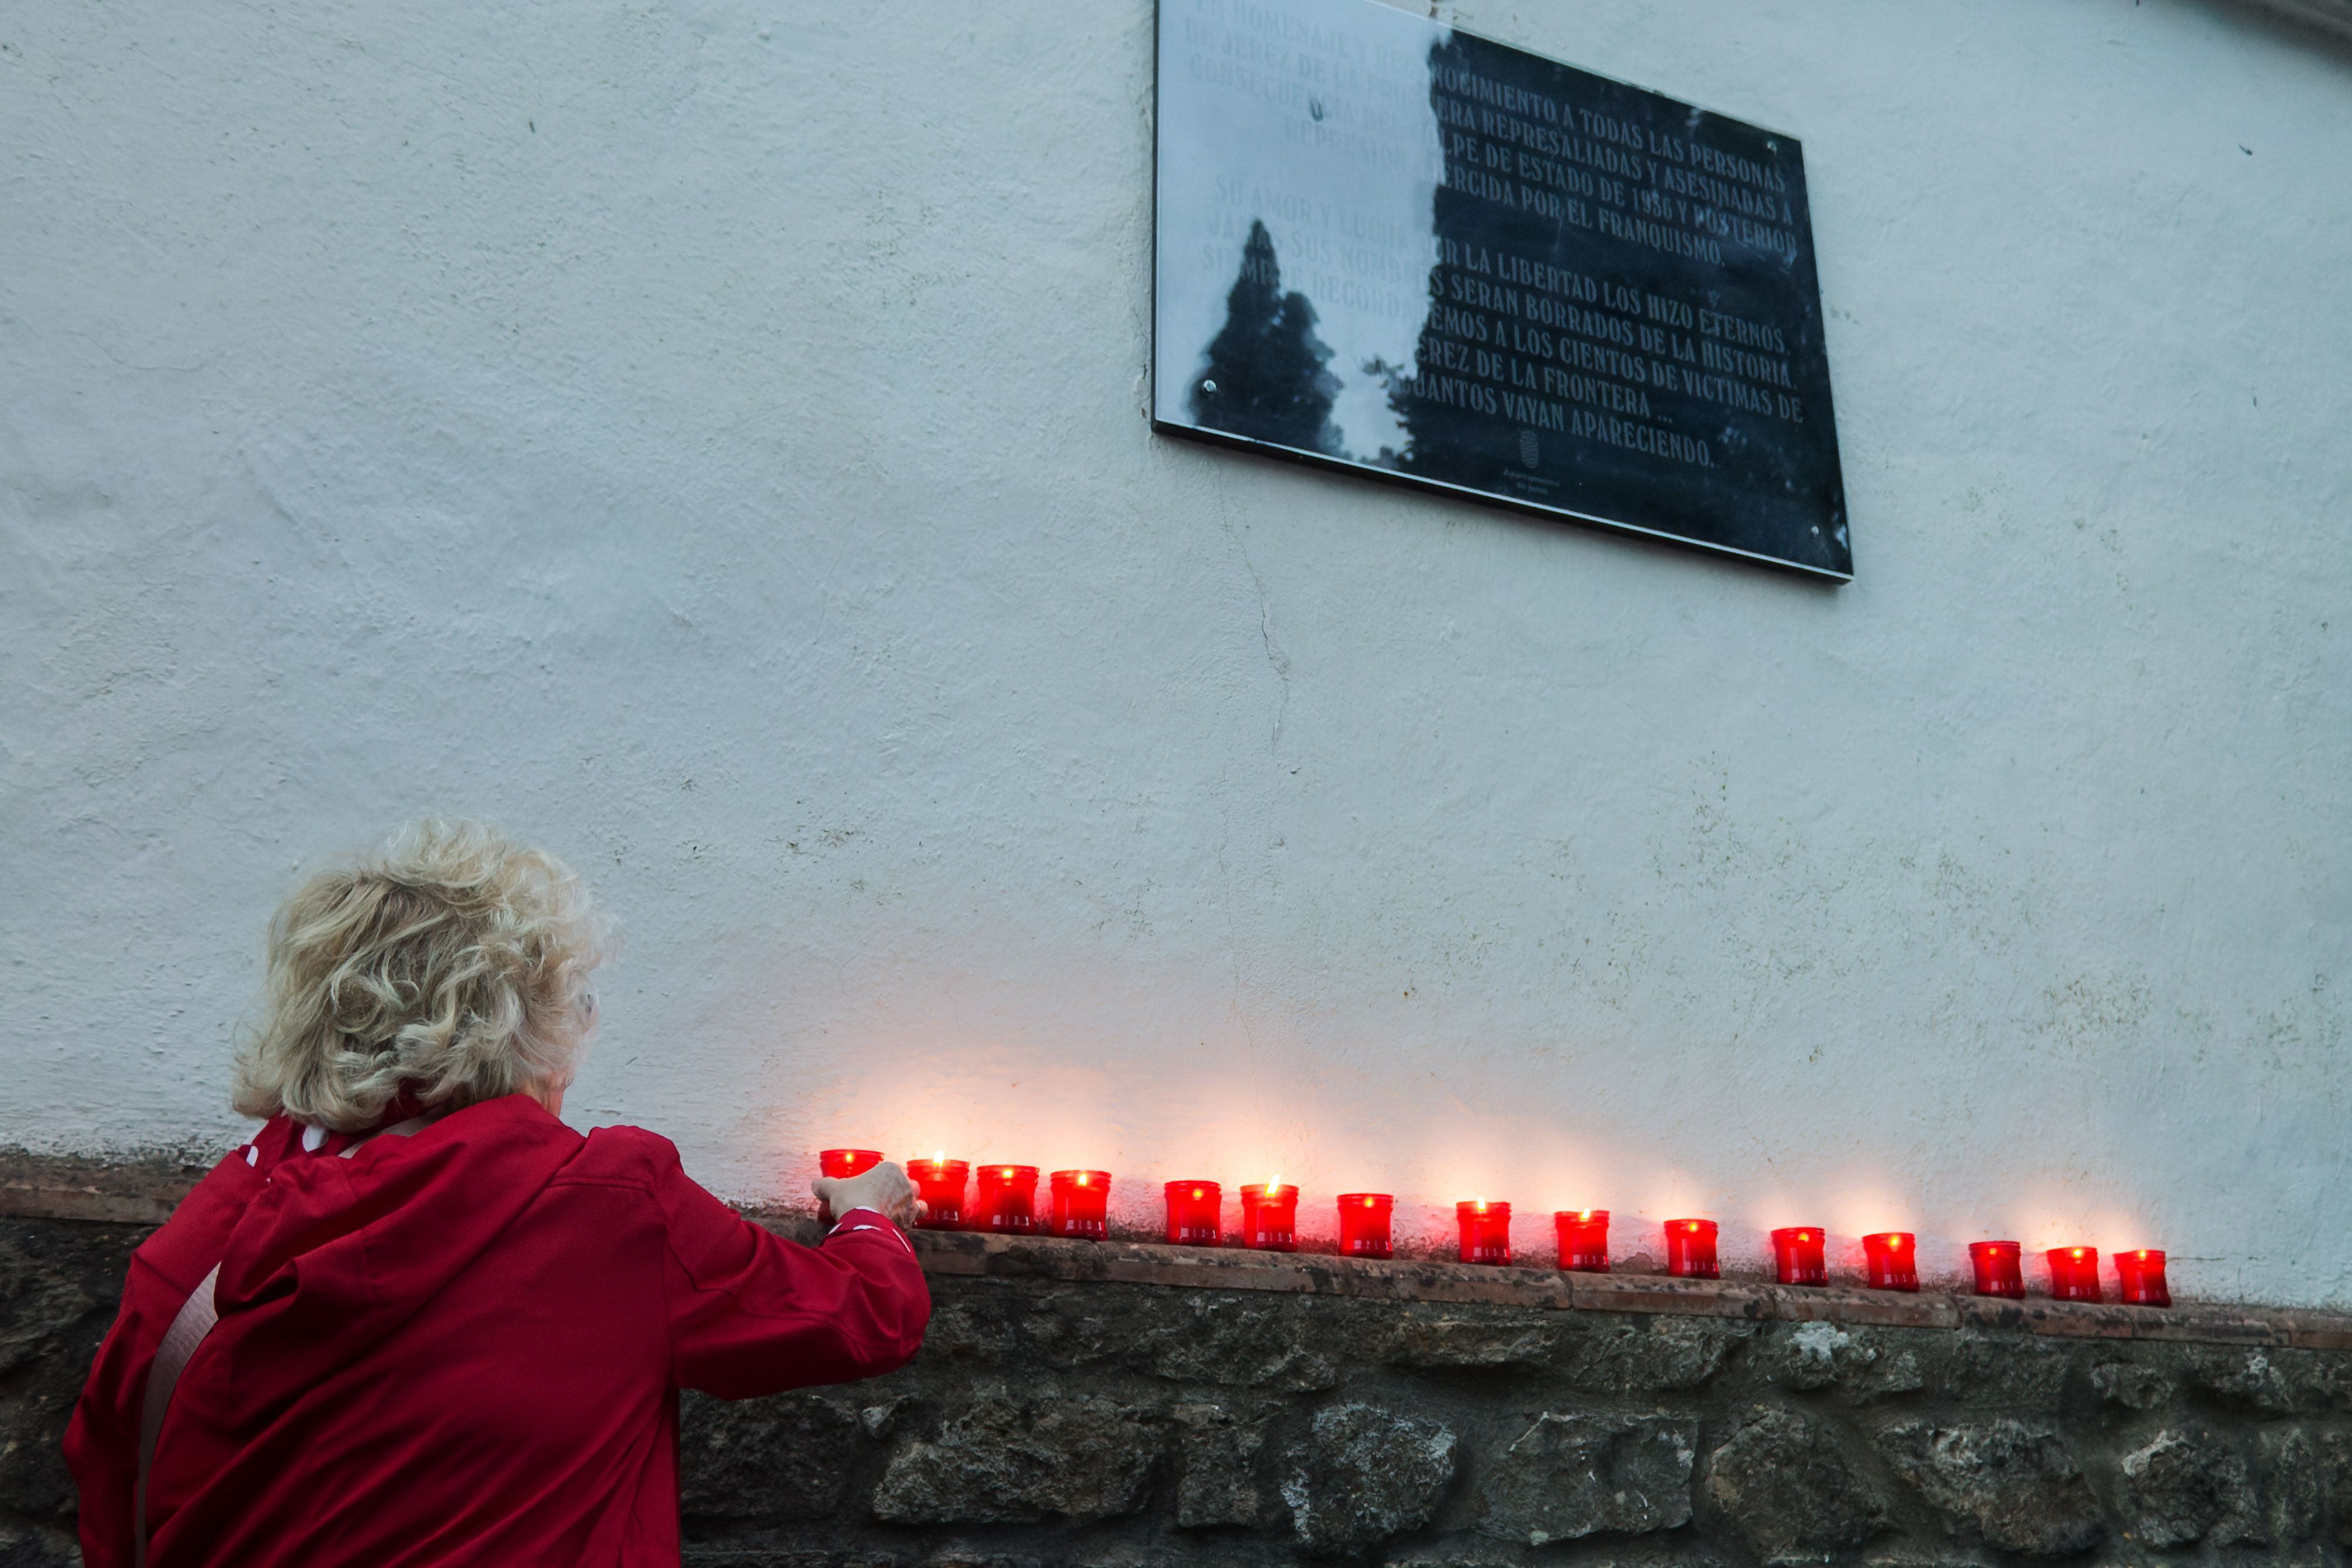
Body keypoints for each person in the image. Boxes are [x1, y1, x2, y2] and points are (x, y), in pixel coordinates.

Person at [64, 820, 930, 1567]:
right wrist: (868, 1216)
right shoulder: (608, 1203)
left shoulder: (200, 1242)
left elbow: (112, 1492)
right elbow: (860, 1317)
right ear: (521, 1025)